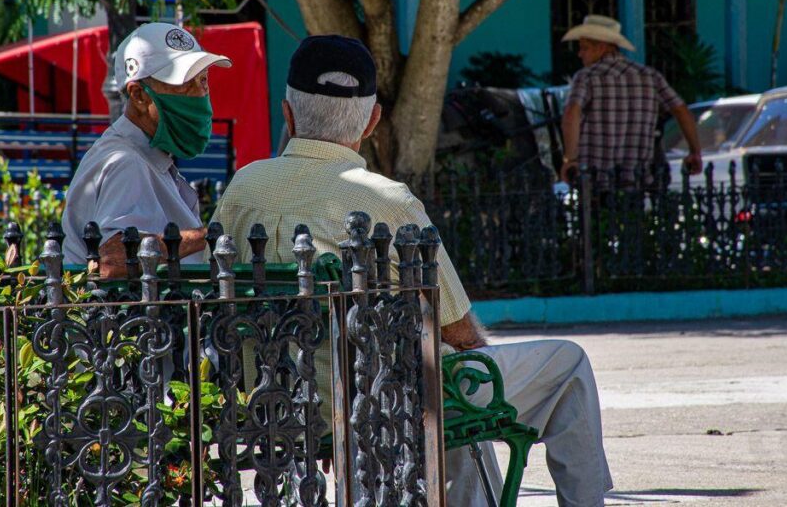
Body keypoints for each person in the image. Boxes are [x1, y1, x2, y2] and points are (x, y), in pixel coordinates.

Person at [211, 35, 613, 506]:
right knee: (563, 364)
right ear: (373, 119)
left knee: (448, 390)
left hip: (277, 399)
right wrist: (472, 360)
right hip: (379, 400)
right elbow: (460, 331)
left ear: (288, 113)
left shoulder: (243, 186)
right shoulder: (386, 199)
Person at [61, 22, 231, 276]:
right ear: (139, 95)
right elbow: (113, 260)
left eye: (203, 80)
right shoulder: (125, 162)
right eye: (185, 83)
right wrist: (208, 237)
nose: (200, 94)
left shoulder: (145, 156)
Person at [559, 15, 703, 186]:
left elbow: (571, 112)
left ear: (602, 47)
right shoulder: (650, 75)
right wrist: (695, 151)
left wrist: (570, 158)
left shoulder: (586, 77)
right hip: (638, 177)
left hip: (596, 179)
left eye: (584, 48)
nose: (580, 54)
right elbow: (681, 110)